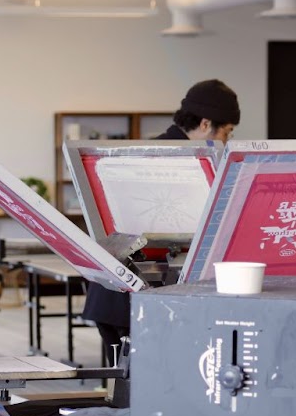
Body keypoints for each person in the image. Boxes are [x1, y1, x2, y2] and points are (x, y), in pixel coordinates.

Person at [81, 79, 241, 358]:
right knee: (145, 378)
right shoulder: (183, 163)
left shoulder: (152, 150)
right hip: (134, 295)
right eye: (227, 132)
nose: (227, 142)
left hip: (113, 293)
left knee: (129, 379)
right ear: (205, 124)